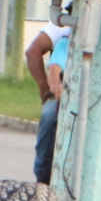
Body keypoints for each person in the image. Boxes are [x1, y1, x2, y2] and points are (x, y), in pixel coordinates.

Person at [26, 7, 72, 184]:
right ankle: (42, 177)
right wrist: (48, 88)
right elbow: (36, 54)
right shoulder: (65, 29)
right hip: (65, 94)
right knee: (49, 115)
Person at [33, 33, 69, 184]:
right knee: (49, 115)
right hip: (66, 96)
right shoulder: (66, 42)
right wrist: (56, 84)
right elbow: (54, 68)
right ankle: (42, 173)